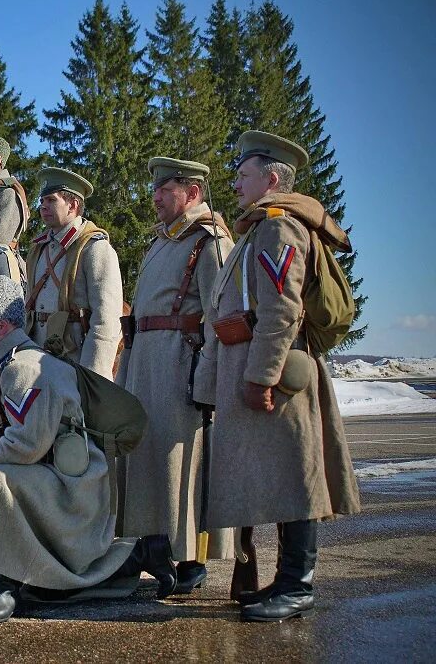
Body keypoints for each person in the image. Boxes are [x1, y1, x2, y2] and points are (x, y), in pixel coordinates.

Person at [194, 130, 361, 622]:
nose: (236, 181)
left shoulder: (277, 229)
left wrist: (261, 376)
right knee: (288, 477)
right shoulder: (262, 228)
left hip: (280, 377)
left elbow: (281, 310)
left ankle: (297, 584)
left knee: (299, 476)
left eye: (244, 174)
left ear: (271, 178)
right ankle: (286, 581)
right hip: (268, 370)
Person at [0, 275, 138, 623]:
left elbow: (26, 446)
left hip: (73, 491)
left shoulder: (21, 369)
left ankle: (4, 583)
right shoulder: (17, 361)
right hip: (67, 478)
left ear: (2, 325)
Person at [115, 157, 236, 593]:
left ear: (193, 192)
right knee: (147, 457)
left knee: (181, 461)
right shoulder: (161, 243)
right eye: (156, 188)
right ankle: (151, 543)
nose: (156, 196)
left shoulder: (208, 242)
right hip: (146, 359)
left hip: (181, 363)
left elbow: (219, 315)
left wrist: (209, 377)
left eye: (167, 188)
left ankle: (190, 558)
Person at [24, 167, 124, 378]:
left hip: (74, 359)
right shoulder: (38, 249)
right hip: (36, 357)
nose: (43, 206)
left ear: (73, 205)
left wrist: (93, 374)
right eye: (42, 201)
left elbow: (106, 318)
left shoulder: (94, 248)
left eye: (51, 200)